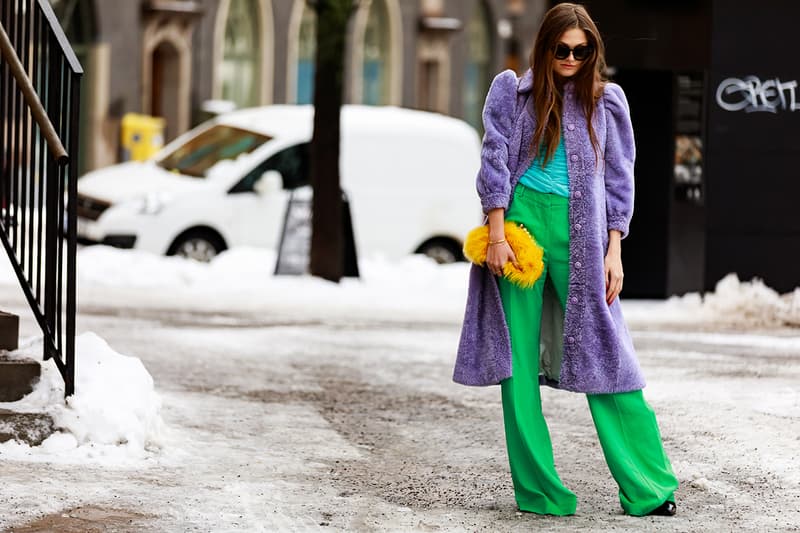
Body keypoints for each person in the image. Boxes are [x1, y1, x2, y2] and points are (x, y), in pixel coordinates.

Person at [453, 3, 679, 517]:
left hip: (585, 231)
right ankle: (539, 493)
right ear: (545, 47)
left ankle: (649, 486)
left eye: (583, 50)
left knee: (609, 356)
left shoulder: (608, 101)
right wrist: (495, 235)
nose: (572, 59)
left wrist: (614, 249)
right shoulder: (512, 92)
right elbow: (493, 160)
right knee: (517, 361)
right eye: (563, 50)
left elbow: (620, 179)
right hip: (521, 232)